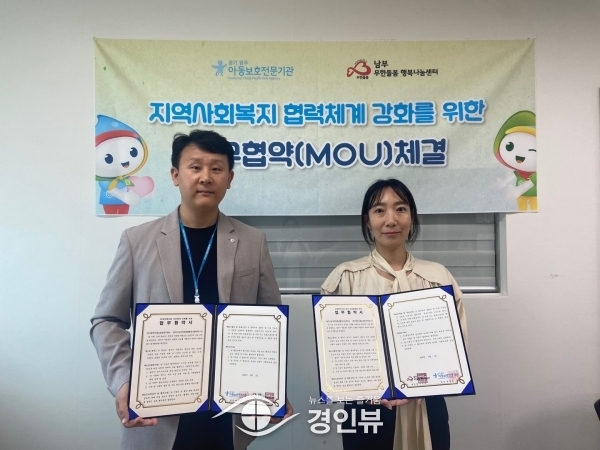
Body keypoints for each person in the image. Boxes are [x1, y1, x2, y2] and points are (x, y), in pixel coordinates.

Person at [90, 130, 292, 450]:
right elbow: (106, 320)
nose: (205, 177)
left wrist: (270, 387)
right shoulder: (136, 241)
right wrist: (124, 380)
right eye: (195, 167)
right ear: (175, 175)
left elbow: (269, 326)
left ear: (229, 178)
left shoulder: (253, 242)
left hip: (227, 415)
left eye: (217, 168)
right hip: (158, 414)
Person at [321, 178, 467, 450]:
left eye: (400, 209)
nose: (391, 220)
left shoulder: (437, 278)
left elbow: (456, 350)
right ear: (367, 221)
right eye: (379, 210)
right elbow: (335, 357)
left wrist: (431, 382)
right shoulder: (346, 277)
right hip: (367, 408)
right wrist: (369, 391)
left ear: (412, 217)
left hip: (426, 406)